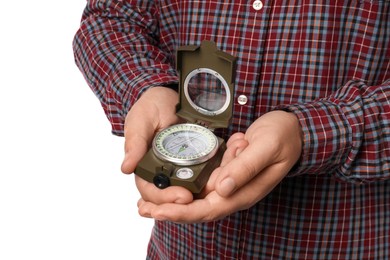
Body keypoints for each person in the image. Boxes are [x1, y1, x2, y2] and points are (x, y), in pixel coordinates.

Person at [73, 0, 390, 258]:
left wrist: (311, 132)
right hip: (180, 248)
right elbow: (111, 17)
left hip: (344, 241)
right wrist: (146, 86)